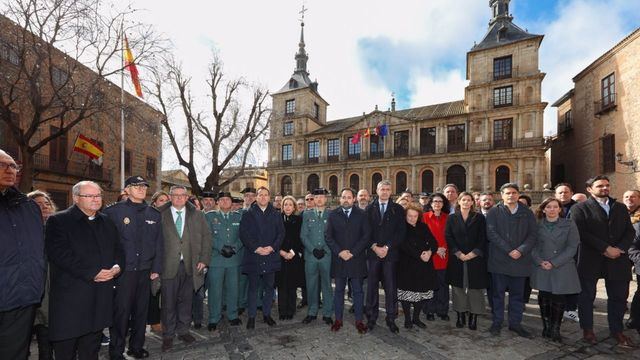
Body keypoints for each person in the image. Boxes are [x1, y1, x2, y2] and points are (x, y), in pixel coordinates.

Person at [46, 181, 123, 360]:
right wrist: (92, 272)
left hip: (99, 298)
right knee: (66, 352)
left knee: (91, 350)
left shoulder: (107, 221)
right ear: (76, 198)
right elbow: (59, 255)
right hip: (71, 300)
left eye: (98, 196)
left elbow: (119, 249)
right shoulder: (58, 220)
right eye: (89, 196)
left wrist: (117, 267)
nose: (95, 199)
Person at [103, 176, 163, 360]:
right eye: (136, 186)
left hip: (145, 270)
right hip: (124, 272)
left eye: (144, 186)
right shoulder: (113, 212)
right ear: (126, 190)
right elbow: (106, 242)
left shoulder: (153, 214)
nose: (141, 189)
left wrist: (156, 267)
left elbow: (159, 243)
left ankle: (136, 347)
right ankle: (116, 350)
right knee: (121, 313)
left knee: (141, 312)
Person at [572, 176, 635, 347]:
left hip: (617, 259)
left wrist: (619, 248)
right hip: (590, 258)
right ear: (589, 189)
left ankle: (617, 330)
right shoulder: (580, 208)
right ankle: (588, 330)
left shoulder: (620, 207)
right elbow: (581, 233)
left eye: (607, 185)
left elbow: (629, 232)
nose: (605, 188)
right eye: (600, 186)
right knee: (586, 296)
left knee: (619, 297)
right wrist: (605, 248)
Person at [0, 149, 45, 360]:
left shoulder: (29, 207)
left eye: (13, 166)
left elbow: (37, 249)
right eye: (2, 165)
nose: (10, 170)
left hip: (22, 298)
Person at [158, 185, 211, 352]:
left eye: (183, 195)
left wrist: (204, 260)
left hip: (190, 265)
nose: (179, 198)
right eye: (176, 195)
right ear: (170, 197)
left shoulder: (197, 214)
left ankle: (183, 331)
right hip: (168, 266)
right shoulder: (160, 214)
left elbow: (207, 237)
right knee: (168, 303)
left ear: (187, 197)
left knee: (186, 301)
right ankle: (168, 335)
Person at [486, 183, 537, 338]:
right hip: (499, 259)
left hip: (520, 261)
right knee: (498, 295)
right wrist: (509, 250)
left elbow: (533, 234)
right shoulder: (494, 212)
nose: (511, 195)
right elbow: (491, 234)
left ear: (518, 194)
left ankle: (515, 324)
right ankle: (497, 322)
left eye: (514, 192)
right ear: (501, 195)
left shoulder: (527, 212)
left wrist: (520, 250)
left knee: (517, 295)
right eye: (507, 193)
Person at [530, 197, 580, 343]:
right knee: (544, 295)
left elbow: (572, 246)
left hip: (562, 265)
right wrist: (540, 261)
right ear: (543, 209)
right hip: (542, 265)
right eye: (548, 207)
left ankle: (555, 329)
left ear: (560, 209)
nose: (552, 209)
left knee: (558, 297)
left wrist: (554, 262)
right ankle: (546, 326)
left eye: (555, 207)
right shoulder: (537, 225)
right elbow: (532, 245)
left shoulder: (569, 224)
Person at [325, 188, 371, 333]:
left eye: (349, 197)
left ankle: (359, 321)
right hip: (339, 259)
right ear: (340, 199)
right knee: (338, 291)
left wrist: (353, 252)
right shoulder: (333, 215)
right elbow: (328, 236)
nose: (346, 199)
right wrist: (339, 252)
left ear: (354, 199)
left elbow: (366, 236)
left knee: (358, 291)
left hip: (356, 259)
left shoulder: (362, 215)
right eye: (343, 197)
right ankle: (338, 320)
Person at [239, 186, 284, 329]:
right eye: (260, 195)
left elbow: (281, 234)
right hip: (254, 256)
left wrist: (272, 247)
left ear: (269, 197)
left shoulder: (276, 214)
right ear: (256, 197)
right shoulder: (248, 214)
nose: (263, 197)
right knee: (253, 288)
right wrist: (256, 248)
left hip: (271, 256)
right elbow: (244, 234)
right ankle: (251, 316)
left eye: (266, 195)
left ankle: (267, 314)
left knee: (269, 288)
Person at [365, 180, 407, 333]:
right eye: (382, 189)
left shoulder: (397, 209)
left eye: (388, 189)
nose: (385, 191)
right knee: (372, 287)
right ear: (377, 190)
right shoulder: (369, 209)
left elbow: (401, 232)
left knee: (390, 287)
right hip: (373, 254)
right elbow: (365, 233)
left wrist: (387, 247)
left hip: (391, 254)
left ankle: (391, 317)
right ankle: (371, 316)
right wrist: (375, 247)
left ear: (391, 191)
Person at [446, 192, 488, 331]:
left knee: (474, 288)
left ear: (472, 202)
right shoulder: (452, 218)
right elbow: (449, 236)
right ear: (459, 201)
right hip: (457, 258)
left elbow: (483, 238)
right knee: (458, 288)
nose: (466, 202)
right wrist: (457, 252)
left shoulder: (479, 218)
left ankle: (473, 316)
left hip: (475, 258)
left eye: (468, 200)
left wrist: (473, 253)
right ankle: (460, 314)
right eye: (463, 200)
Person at [205, 192, 243, 331]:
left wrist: (234, 248)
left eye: (228, 199)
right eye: (222, 199)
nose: (225, 202)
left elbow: (243, 236)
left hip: (233, 258)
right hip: (216, 259)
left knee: (233, 289)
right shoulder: (210, 216)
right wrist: (221, 247)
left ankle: (233, 315)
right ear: (218, 202)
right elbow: (207, 236)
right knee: (215, 290)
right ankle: (214, 317)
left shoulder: (238, 216)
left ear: (232, 202)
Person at [398, 204, 437, 330]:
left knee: (420, 293)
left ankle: (416, 318)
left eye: (415, 216)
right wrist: (419, 255)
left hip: (424, 266)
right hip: (407, 265)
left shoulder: (423, 226)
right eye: (409, 216)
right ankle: (408, 319)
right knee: (407, 294)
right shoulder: (401, 227)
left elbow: (433, 242)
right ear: (405, 216)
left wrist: (430, 252)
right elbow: (403, 245)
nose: (412, 218)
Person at [28, 190, 57, 360]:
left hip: (55, 289)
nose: (44, 207)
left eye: (47, 203)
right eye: (39, 204)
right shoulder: (26, 230)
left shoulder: (59, 228)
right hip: (34, 291)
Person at [301, 188, 334, 325]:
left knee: (327, 284)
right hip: (311, 256)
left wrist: (325, 249)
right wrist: (313, 249)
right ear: (313, 199)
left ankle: (327, 313)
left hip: (326, 255)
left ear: (326, 199)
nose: (319, 199)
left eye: (322, 197)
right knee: (311, 285)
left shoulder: (331, 215)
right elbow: (303, 235)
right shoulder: (306, 214)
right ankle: (312, 311)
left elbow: (334, 235)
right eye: (316, 197)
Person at [554, 183, 580, 323]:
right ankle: (558, 309)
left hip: (573, 250)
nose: (563, 195)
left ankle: (570, 309)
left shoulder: (579, 208)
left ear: (571, 193)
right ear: (555, 194)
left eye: (566, 192)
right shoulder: (550, 207)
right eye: (560, 193)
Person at [422, 193, 450, 321]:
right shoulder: (424, 217)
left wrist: (443, 248)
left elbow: (450, 236)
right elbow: (422, 237)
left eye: (440, 201)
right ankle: (429, 310)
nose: (437, 204)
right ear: (431, 203)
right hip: (430, 256)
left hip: (444, 256)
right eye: (435, 201)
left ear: (443, 204)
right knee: (429, 284)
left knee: (443, 285)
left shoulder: (449, 218)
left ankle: (442, 310)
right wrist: (436, 249)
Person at [276, 196, 305, 320]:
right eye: (285, 204)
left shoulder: (299, 220)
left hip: (294, 257)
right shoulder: (277, 220)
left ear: (294, 207)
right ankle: (282, 311)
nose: (287, 207)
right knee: (281, 286)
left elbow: (300, 238)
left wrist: (292, 252)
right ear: (282, 207)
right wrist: (281, 252)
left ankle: (290, 311)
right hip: (280, 256)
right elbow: (274, 237)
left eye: (290, 205)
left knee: (292, 285)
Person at [148, 191, 170, 334]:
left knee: (167, 292)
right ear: (154, 202)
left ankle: (165, 319)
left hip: (169, 259)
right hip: (154, 259)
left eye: (166, 200)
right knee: (154, 292)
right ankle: (154, 321)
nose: (164, 202)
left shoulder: (171, 216)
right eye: (161, 200)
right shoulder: (150, 216)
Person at [625, 190, 640, 334]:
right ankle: (635, 318)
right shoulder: (617, 213)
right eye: (627, 197)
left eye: (633, 196)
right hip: (620, 257)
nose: (630, 199)